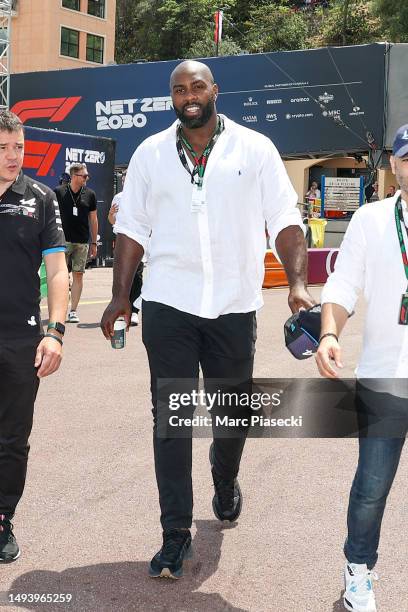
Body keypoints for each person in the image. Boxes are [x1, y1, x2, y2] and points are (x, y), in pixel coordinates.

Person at [101, 60, 314, 579]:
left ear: (214, 90)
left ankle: (225, 476)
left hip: (234, 306)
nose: (188, 96)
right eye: (179, 90)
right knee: (170, 420)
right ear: (171, 98)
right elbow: (131, 230)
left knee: (231, 415)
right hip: (169, 305)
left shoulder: (255, 148)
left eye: (197, 87)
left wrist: (298, 284)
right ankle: (175, 533)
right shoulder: (151, 154)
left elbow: (284, 220)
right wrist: (119, 297)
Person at [315, 123, 408, 612]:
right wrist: (330, 333)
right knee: (372, 486)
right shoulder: (371, 220)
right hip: (385, 375)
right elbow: (343, 286)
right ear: (395, 165)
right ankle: (358, 571)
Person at [0, 110, 68, 562]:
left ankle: (3, 519)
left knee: (11, 438)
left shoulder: (41, 198)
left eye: (18, 147)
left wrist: (56, 331)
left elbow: (58, 269)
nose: (13, 157)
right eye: (3, 148)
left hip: (21, 339)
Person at [54, 162, 98, 323]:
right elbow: (52, 216)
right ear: (74, 176)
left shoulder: (90, 194)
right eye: (84, 175)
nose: (87, 178)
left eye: (87, 175)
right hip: (62, 241)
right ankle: (60, 310)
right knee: (61, 276)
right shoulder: (59, 192)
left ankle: (73, 311)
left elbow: (93, 219)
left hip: (82, 242)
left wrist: (94, 242)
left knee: (78, 275)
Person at [108, 170, 143, 326]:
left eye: (127, 178)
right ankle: (122, 307)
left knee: (137, 276)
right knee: (122, 275)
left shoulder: (142, 196)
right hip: (122, 241)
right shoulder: (118, 198)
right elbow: (112, 220)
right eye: (123, 179)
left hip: (139, 242)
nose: (124, 181)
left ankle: (135, 311)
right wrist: (111, 215)